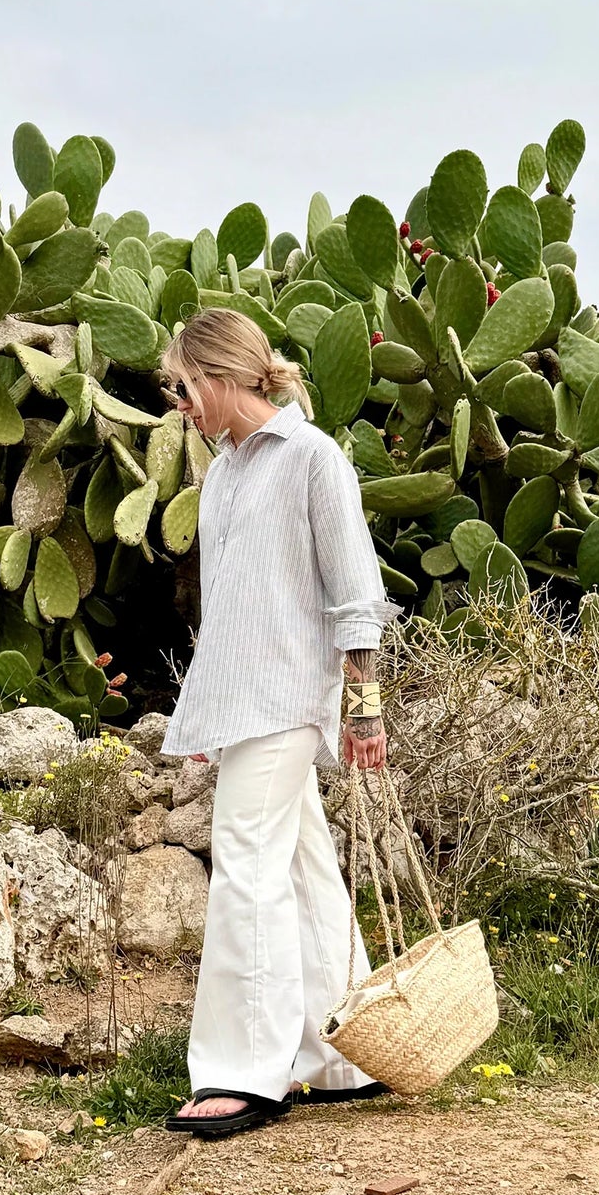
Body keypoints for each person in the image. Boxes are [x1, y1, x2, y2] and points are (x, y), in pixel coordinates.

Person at [159, 307, 397, 1139]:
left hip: (291, 700)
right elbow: (233, 609)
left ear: (222, 377)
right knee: (299, 868)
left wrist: (362, 708)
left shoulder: (312, 459)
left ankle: (245, 1072)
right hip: (243, 704)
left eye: (184, 385)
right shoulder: (222, 472)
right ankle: (342, 1057)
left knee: (247, 865)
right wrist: (205, 709)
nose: (178, 401)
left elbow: (354, 592)